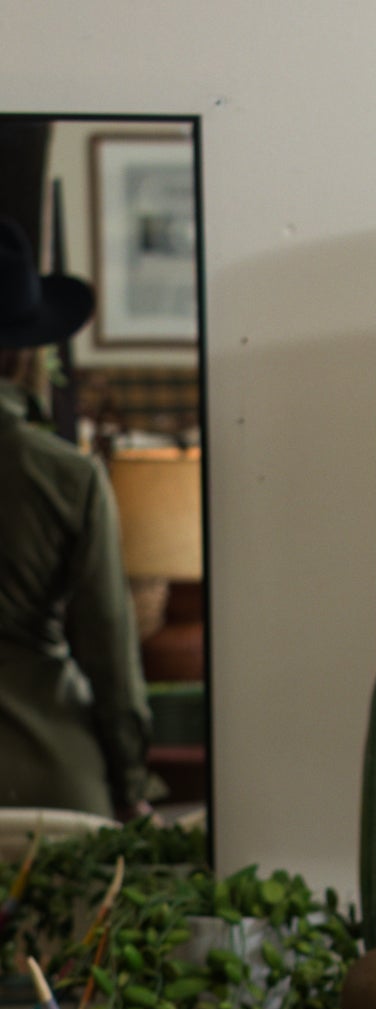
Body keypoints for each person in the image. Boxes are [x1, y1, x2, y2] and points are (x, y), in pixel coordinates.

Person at [0, 216, 151, 818]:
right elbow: (109, 654)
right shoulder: (70, 476)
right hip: (51, 785)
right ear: (20, 354)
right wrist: (132, 785)